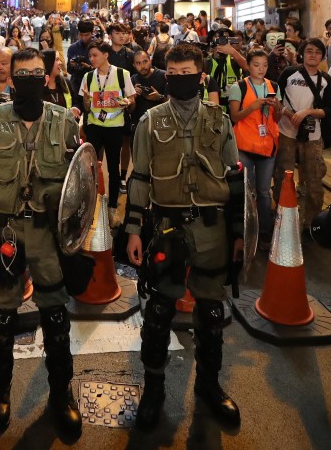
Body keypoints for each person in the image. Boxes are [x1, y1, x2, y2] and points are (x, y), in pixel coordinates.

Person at [0, 47, 83, 439]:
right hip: (5, 231)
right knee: (1, 315)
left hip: (48, 233)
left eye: (37, 72)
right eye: (22, 73)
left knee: (56, 315)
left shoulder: (64, 121)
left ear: (46, 78)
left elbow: (81, 174)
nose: (30, 78)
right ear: (11, 78)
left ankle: (61, 394)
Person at [124, 43, 243, 430]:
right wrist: (133, 231)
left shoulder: (220, 119)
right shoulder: (150, 121)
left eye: (186, 72)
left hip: (212, 229)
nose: (179, 79)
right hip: (167, 228)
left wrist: (240, 233)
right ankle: (154, 390)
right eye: (172, 74)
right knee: (159, 313)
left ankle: (209, 386)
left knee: (211, 313)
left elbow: (235, 177)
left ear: (201, 75)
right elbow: (139, 178)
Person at [274, 38, 331, 232]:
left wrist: (307, 113)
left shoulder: (325, 79)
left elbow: (328, 109)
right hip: (287, 132)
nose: (313, 55)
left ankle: (312, 223)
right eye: (309, 51)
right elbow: (276, 99)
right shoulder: (289, 73)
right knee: (283, 175)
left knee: (314, 178)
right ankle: (281, 217)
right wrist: (287, 113)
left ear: (322, 56)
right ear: (302, 53)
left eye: (318, 52)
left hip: (312, 135)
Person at [228, 49, 282, 246]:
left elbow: (277, 119)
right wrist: (252, 107)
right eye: (256, 65)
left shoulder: (273, 86)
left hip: (267, 147)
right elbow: (235, 117)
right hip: (245, 147)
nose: (261, 69)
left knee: (264, 192)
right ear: (248, 65)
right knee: (246, 191)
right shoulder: (239, 87)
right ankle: (245, 232)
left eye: (265, 65)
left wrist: (278, 109)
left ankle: (265, 233)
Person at [80, 40, 137, 224]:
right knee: (91, 169)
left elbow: (132, 99)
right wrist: (87, 101)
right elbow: (86, 107)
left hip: (115, 128)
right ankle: (90, 206)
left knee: (113, 168)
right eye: (90, 56)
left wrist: (127, 103)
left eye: (95, 55)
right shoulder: (88, 77)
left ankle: (112, 207)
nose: (92, 59)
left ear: (106, 55)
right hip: (94, 127)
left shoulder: (122, 74)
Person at [207, 29, 248, 107]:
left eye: (225, 38)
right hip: (211, 105)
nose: (222, 41)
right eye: (218, 38)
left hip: (231, 105)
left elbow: (248, 67)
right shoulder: (207, 60)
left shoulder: (234, 58)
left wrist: (232, 51)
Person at [41, 49, 77, 117]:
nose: (60, 62)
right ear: (48, 62)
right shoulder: (38, 85)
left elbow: (75, 102)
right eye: (57, 59)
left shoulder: (66, 82)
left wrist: (74, 108)